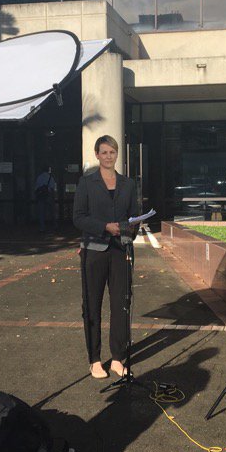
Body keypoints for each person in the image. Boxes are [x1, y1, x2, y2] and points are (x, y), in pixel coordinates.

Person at [72, 136, 139, 379]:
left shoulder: (128, 184)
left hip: (121, 251)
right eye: (104, 152)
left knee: (121, 305)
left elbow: (134, 216)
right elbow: (78, 217)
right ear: (97, 155)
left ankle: (118, 358)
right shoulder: (86, 183)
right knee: (92, 305)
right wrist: (104, 227)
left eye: (112, 152)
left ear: (117, 154)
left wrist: (130, 229)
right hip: (94, 251)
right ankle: (95, 359)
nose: (109, 156)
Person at [34, 166, 57, 232]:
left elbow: (36, 188)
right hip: (49, 195)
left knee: (41, 212)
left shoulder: (39, 177)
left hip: (41, 196)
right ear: (48, 170)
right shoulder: (50, 177)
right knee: (51, 211)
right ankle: (54, 225)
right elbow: (52, 187)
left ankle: (42, 227)